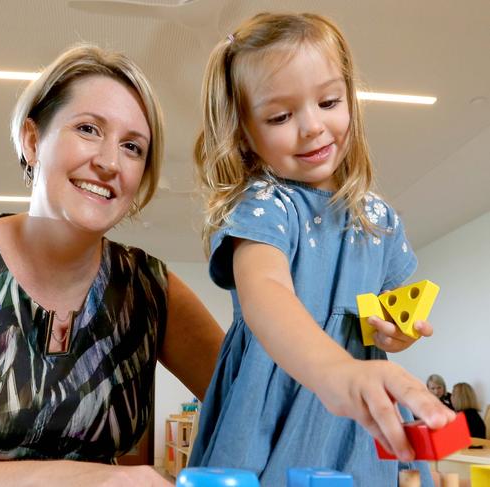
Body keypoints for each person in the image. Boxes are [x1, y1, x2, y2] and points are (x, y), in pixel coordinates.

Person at [0, 44, 225, 487]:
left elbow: (258, 406)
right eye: (89, 129)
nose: (110, 162)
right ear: (32, 140)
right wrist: (93, 481)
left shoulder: (149, 289)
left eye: (132, 147)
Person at [187, 12, 455, 486]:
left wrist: (398, 332)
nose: (312, 126)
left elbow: (391, 311)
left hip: (350, 423)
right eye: (280, 116)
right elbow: (265, 296)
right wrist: (336, 372)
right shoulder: (265, 207)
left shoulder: (379, 219)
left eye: (329, 101)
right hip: (275, 408)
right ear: (245, 133)